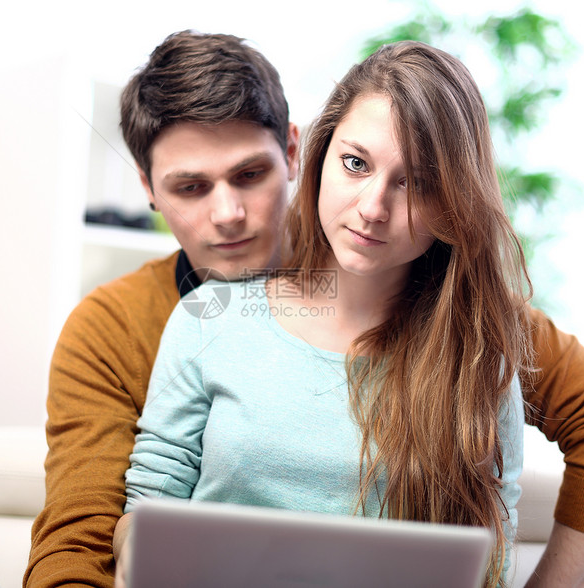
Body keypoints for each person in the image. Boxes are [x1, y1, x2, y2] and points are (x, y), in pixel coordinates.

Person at [24, 31, 584, 588]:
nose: (227, 214)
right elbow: (83, 536)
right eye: (191, 187)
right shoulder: (126, 326)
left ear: (297, 154)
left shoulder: (450, 314)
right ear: (148, 192)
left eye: (250, 175)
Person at [117, 40, 529, 587]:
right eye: (355, 164)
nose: (373, 208)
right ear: (316, 156)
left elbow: (490, 564)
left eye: (416, 182)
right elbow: (145, 510)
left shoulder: (481, 361)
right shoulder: (207, 318)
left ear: (454, 202)